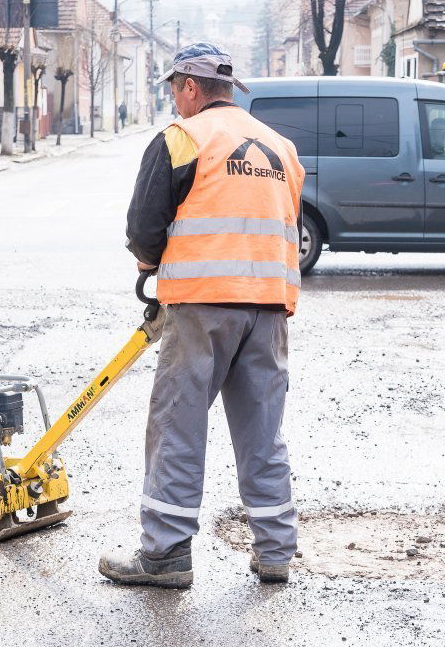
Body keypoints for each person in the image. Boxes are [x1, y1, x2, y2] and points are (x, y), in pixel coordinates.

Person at [101, 43, 306, 588]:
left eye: (175, 90)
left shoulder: (182, 139)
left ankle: (166, 554)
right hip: (269, 306)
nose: (175, 100)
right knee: (263, 430)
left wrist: (148, 262)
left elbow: (144, 226)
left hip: (201, 307)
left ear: (190, 87)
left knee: (179, 424)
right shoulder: (282, 148)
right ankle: (276, 552)